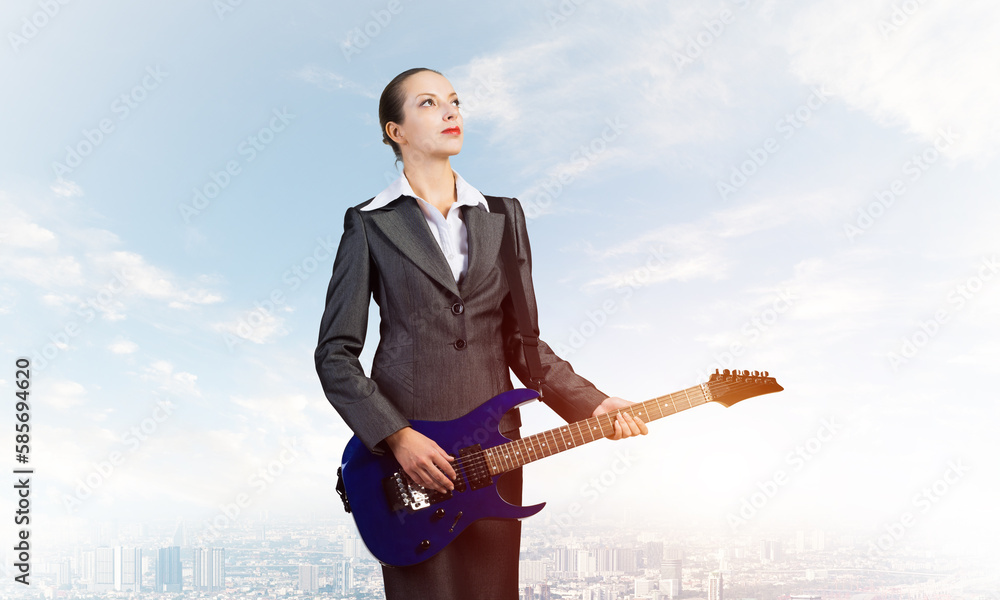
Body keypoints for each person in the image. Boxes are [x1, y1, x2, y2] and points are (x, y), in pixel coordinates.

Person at [314, 67, 648, 600]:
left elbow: (523, 343)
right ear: (394, 131)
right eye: (428, 103)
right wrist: (396, 436)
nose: (450, 112)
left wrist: (594, 404)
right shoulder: (369, 223)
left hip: (494, 451)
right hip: (408, 465)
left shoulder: (504, 216)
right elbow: (335, 355)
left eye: (454, 101)